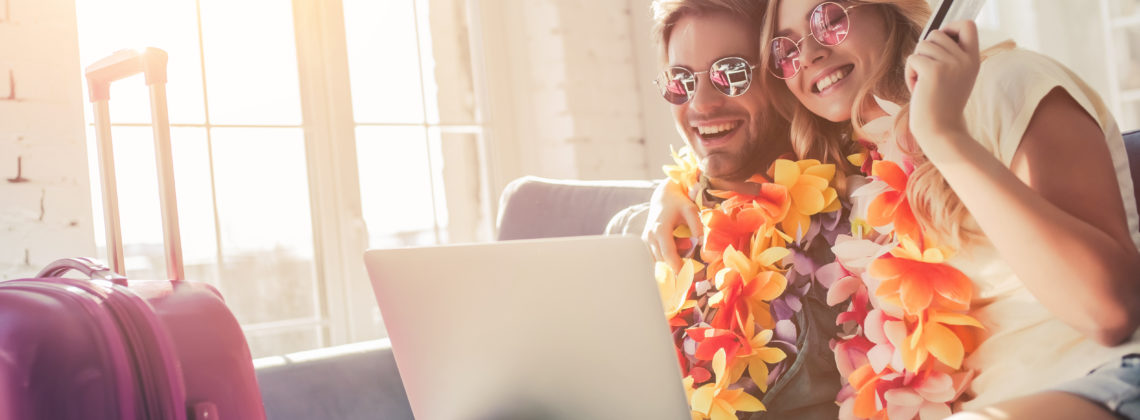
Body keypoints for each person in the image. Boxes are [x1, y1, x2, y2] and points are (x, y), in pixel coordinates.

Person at [645, 0, 1140, 419]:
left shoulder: (1002, 82)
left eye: (828, 19)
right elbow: (731, 155)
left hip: (1100, 379)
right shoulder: (861, 172)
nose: (810, 53)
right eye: (786, 50)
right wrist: (673, 191)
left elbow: (1109, 311)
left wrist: (944, 137)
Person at [641, 0, 844, 418]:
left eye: (732, 73)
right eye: (681, 80)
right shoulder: (640, 238)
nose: (701, 105)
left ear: (782, 71)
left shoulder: (849, 233)